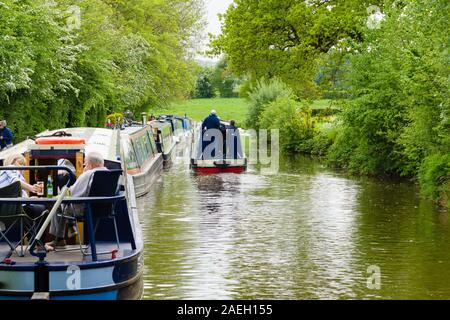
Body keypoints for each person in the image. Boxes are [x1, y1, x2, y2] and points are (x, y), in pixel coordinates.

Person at [46, 151, 107, 250]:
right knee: (62, 201)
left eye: (85, 164)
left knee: (57, 202)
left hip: (83, 210)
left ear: (90, 164)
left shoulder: (88, 174)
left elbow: (72, 193)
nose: (84, 166)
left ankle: (60, 238)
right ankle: (69, 228)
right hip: (104, 209)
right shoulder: (108, 173)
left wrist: (60, 193)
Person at [0, 153, 47, 219]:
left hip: (3, 212)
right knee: (44, 208)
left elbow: (14, 193)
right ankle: (36, 229)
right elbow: (15, 181)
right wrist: (32, 188)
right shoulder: (12, 167)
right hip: (17, 210)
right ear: (15, 162)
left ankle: (31, 229)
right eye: (22, 164)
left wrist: (29, 199)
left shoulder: (2, 172)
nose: (23, 168)